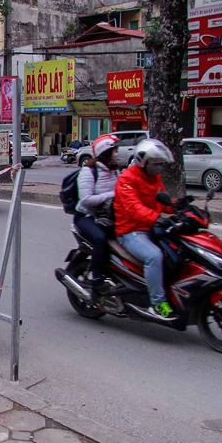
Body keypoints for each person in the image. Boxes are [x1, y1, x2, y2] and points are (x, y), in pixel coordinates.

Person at [114, 139, 175, 319]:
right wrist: (157, 218)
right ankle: (157, 303)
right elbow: (134, 208)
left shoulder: (153, 178)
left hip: (149, 227)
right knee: (153, 256)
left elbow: (161, 200)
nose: (159, 168)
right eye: (156, 164)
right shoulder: (127, 179)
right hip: (130, 231)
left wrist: (180, 208)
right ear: (143, 162)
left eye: (161, 164)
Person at [75, 134, 120, 293]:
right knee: (101, 239)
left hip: (108, 216)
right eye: (114, 151)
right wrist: (110, 195)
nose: (117, 154)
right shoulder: (88, 171)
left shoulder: (114, 171)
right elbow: (86, 199)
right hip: (86, 216)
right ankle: (96, 279)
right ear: (105, 152)